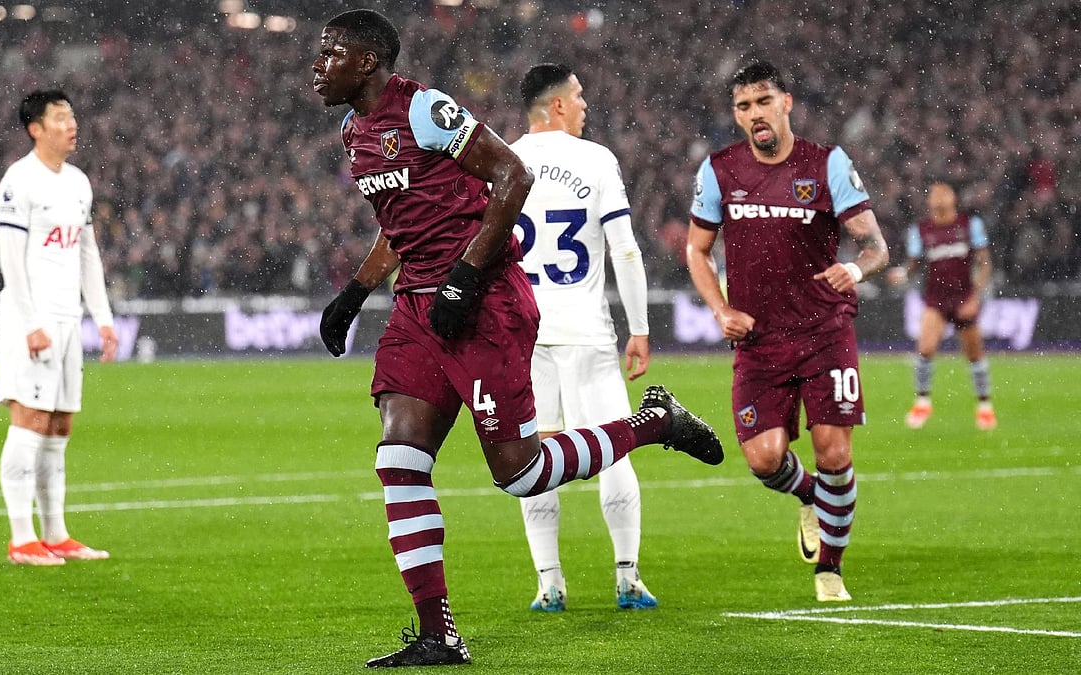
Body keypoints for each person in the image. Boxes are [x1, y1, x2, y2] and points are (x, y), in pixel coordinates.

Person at [312, 10, 722, 668]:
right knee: (399, 457)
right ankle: (438, 631)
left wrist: (465, 277)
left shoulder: (424, 111)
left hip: (486, 300)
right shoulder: (352, 129)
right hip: (419, 305)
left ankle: (652, 422)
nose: (317, 65)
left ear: (368, 62)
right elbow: (402, 221)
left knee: (521, 473)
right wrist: (356, 290)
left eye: (331, 53)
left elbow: (513, 176)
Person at [685, 62, 889, 602]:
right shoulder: (719, 171)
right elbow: (697, 250)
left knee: (835, 454)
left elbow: (876, 247)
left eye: (762, 102)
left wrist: (857, 269)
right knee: (764, 458)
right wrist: (718, 308)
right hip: (758, 341)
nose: (754, 114)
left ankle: (830, 569)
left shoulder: (827, 165)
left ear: (787, 102)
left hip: (826, 331)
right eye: (743, 107)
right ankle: (810, 497)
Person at [508, 63, 657, 613]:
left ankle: (550, 584)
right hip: (586, 333)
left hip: (524, 334)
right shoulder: (595, 160)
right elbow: (625, 250)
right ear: (558, 107)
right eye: (579, 95)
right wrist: (639, 329)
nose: (586, 103)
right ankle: (626, 579)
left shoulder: (501, 158)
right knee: (615, 452)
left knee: (536, 456)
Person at [0, 89, 118, 566]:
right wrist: (30, 324)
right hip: (34, 319)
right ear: (36, 128)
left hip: (69, 319)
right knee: (29, 421)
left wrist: (102, 319)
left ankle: (56, 533)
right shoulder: (18, 182)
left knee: (60, 425)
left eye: (73, 116)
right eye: (61, 118)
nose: (72, 125)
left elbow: (87, 254)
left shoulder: (79, 182)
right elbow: (11, 260)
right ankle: (21, 538)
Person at [898, 182, 995, 430]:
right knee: (925, 348)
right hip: (936, 299)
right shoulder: (920, 230)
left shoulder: (969, 225)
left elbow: (984, 264)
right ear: (929, 201)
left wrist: (974, 297)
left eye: (944, 193)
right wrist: (902, 274)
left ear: (954, 198)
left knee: (974, 354)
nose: (939, 198)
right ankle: (922, 402)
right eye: (934, 194)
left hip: (964, 297)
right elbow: (914, 264)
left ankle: (985, 406)